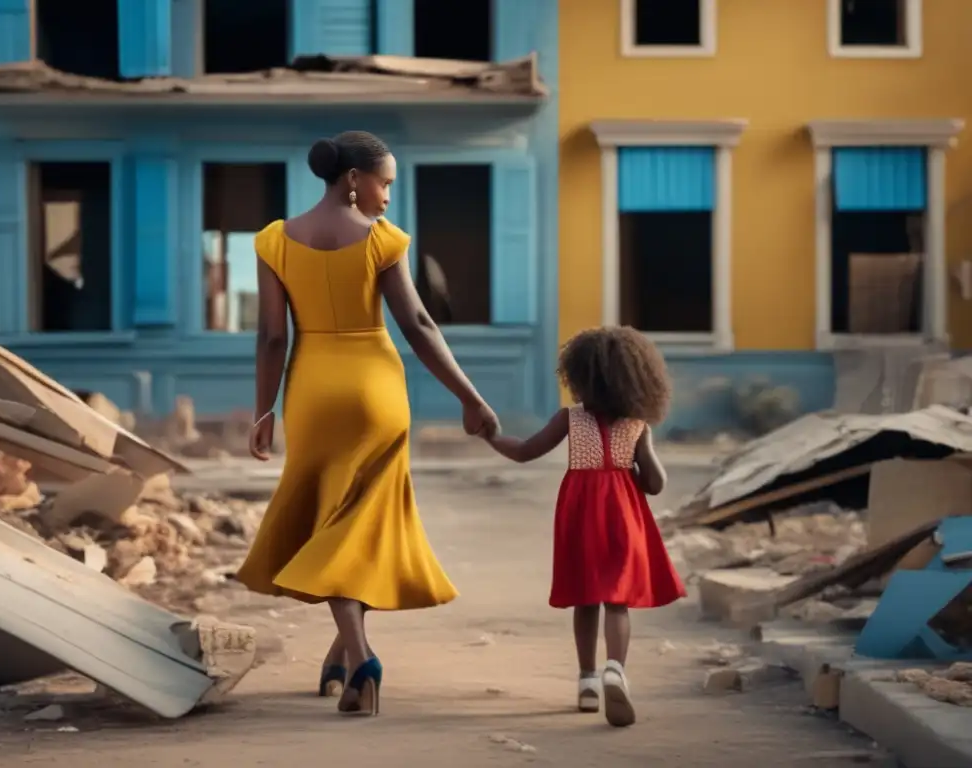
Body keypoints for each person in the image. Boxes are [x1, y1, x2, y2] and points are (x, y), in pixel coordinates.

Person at [237, 130, 500, 717]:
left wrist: (264, 410)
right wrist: (470, 397)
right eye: (384, 183)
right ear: (354, 179)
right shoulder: (383, 241)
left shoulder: (275, 241)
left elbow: (272, 336)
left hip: (312, 391)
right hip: (377, 389)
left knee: (339, 522)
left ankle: (341, 654)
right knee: (367, 524)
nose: (387, 196)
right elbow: (420, 327)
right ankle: (361, 656)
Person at [482, 326, 686, 728]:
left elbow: (525, 451)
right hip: (623, 514)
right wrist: (639, 462)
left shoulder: (570, 420)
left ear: (579, 377)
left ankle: (588, 679)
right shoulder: (637, 425)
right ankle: (616, 668)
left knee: (586, 596)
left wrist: (491, 437)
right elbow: (656, 483)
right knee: (617, 599)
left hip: (580, 513)